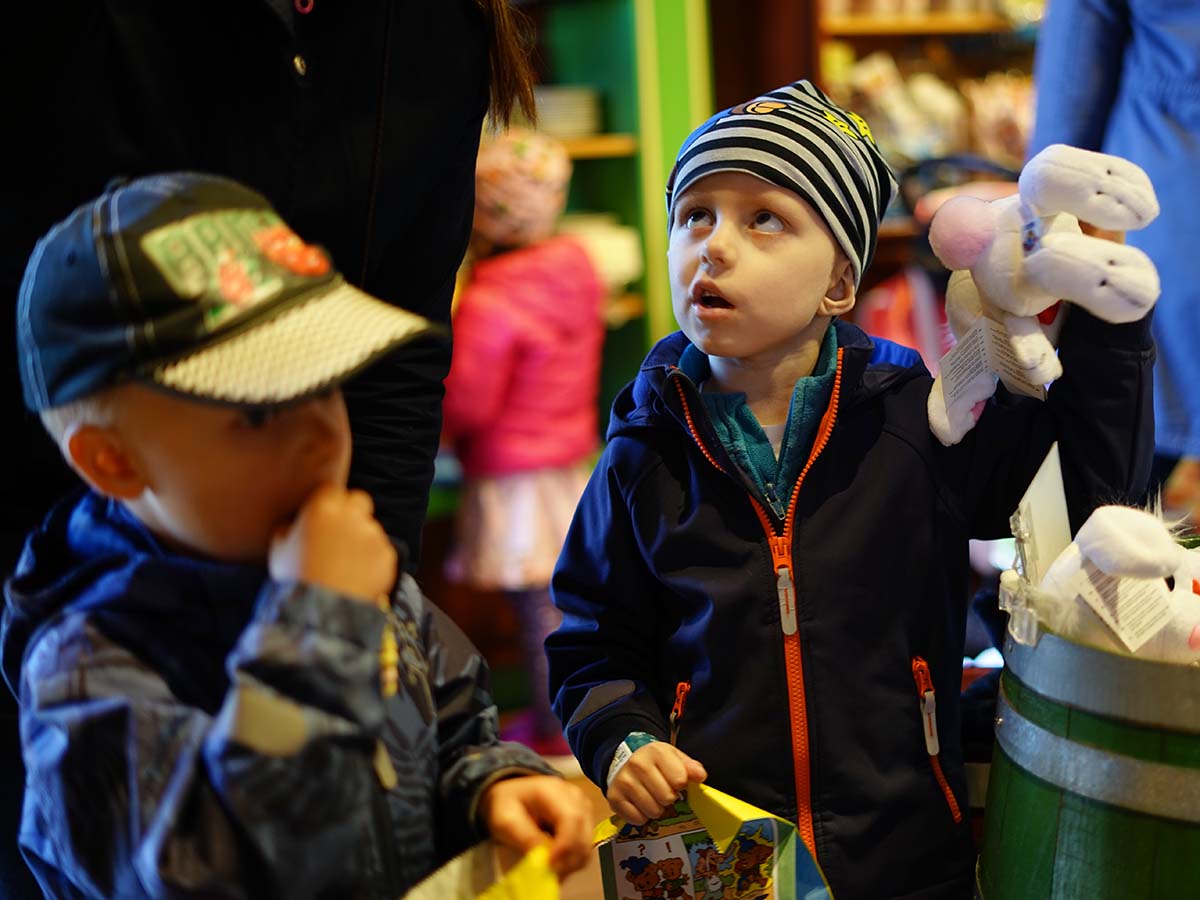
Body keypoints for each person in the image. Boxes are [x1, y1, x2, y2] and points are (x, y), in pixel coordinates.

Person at [545, 79, 1155, 899]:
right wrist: (623, 739)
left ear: (840, 281)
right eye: (695, 215)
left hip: (903, 859)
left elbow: (1092, 494)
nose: (715, 246)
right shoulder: (643, 450)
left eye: (766, 219)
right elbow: (593, 641)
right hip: (728, 862)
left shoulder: (919, 424)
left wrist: (1111, 320)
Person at [2, 4, 535, 892]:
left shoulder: (359, 575)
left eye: (326, 382)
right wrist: (317, 627)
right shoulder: (92, 670)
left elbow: (451, 721)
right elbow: (214, 876)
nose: (323, 437)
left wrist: (493, 786)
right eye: (255, 412)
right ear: (113, 462)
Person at [441, 130, 608, 758]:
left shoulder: (489, 301)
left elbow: (468, 401)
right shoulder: (577, 269)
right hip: (566, 460)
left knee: (540, 619)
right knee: (563, 608)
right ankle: (567, 724)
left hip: (515, 478)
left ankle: (559, 734)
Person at [1026, 0, 1199, 519]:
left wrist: (1039, 222)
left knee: (1120, 491)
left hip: (1164, 200)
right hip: (1165, 189)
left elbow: (1070, 90)